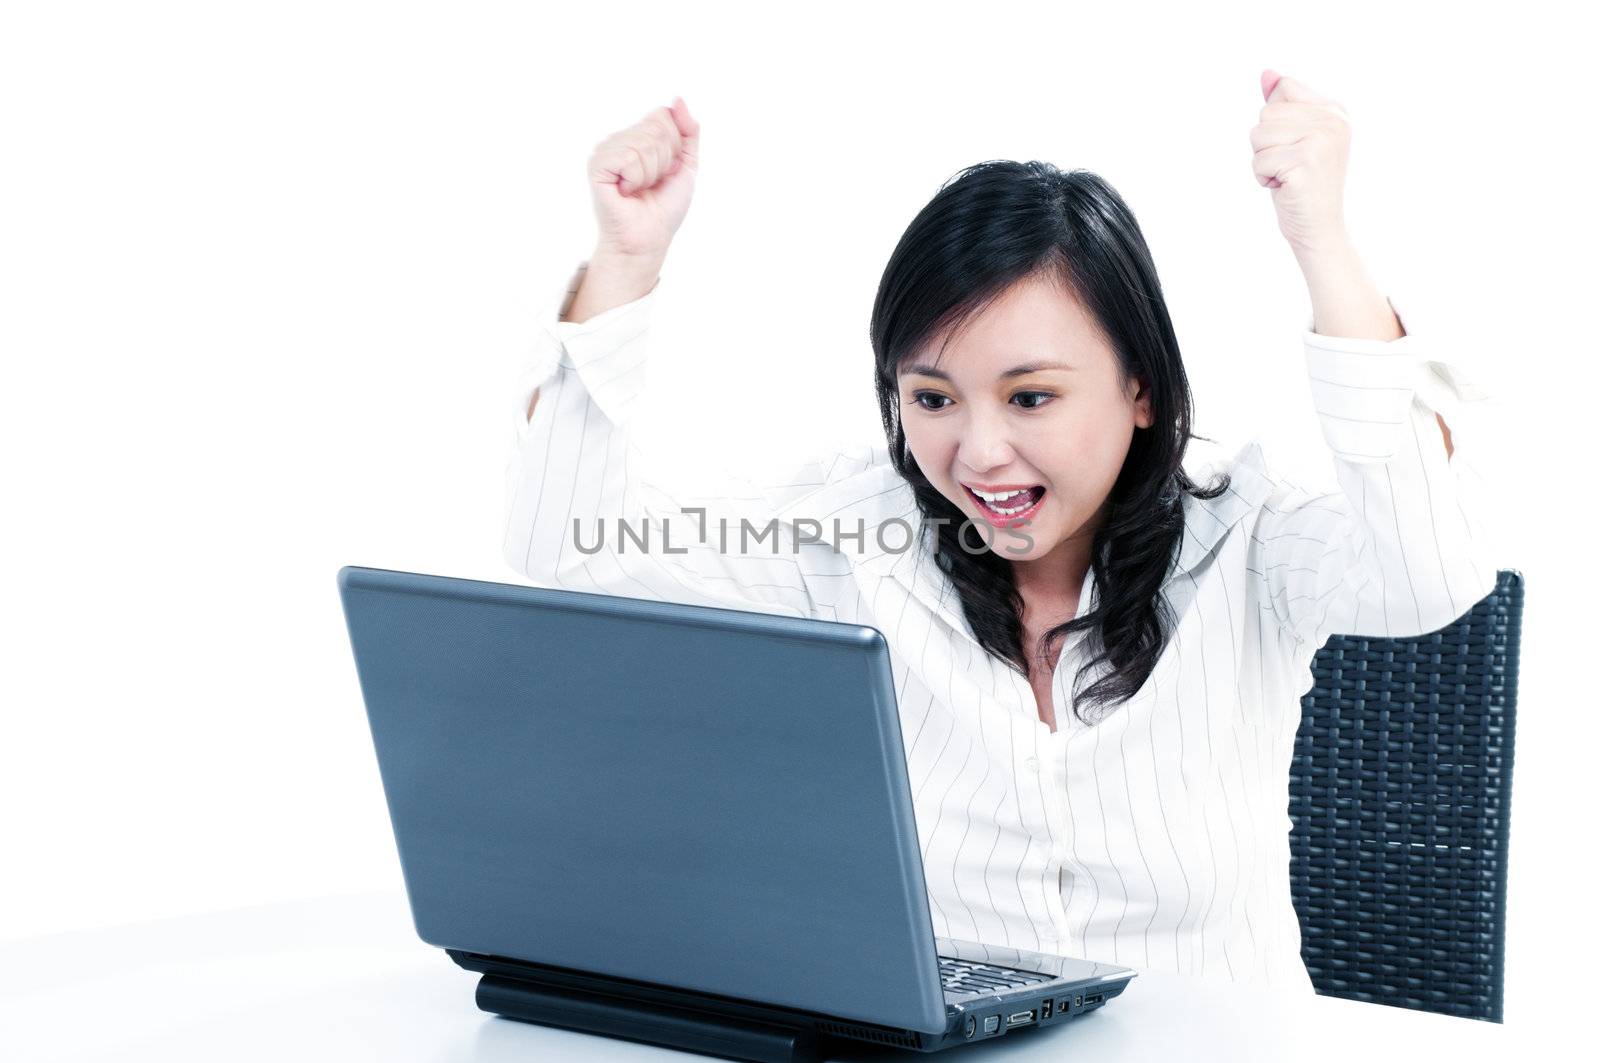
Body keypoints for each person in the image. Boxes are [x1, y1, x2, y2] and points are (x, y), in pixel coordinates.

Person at [501, 75, 1498, 991]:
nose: (977, 452)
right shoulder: (853, 534)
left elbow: (1426, 576)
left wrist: (1319, 239)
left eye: (1030, 396)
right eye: (931, 397)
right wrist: (626, 260)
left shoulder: (1248, 529)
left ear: (1140, 388)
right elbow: (567, 546)